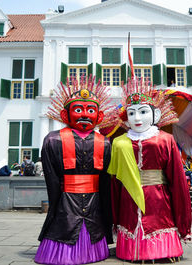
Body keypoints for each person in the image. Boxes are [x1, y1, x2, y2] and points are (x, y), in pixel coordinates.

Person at [108, 79, 192, 262]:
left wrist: (184, 222)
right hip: (128, 196)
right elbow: (114, 181)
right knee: (130, 222)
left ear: (156, 114)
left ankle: (162, 250)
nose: (137, 118)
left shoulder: (165, 139)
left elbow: (177, 180)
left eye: (143, 112)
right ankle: (132, 250)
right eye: (131, 113)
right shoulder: (119, 142)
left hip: (158, 195)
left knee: (158, 221)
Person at [35, 76, 113, 265]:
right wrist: (55, 202)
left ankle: (91, 251)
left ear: (99, 117)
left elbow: (106, 178)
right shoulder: (53, 140)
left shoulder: (104, 142)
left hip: (94, 198)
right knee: (64, 224)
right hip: (65, 198)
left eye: (91, 110)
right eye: (78, 110)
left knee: (92, 225)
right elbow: (51, 177)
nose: (84, 115)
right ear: (65, 115)